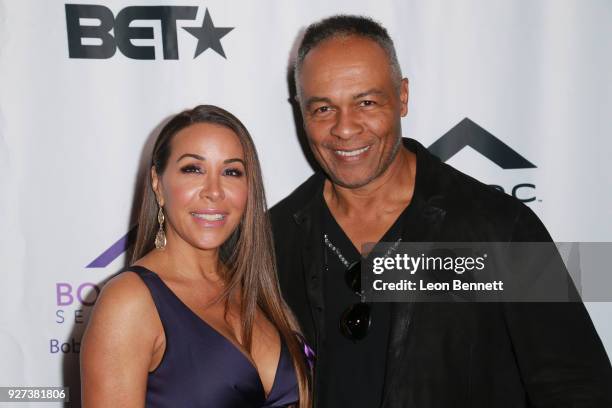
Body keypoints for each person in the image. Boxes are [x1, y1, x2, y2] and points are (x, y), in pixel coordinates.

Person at [270, 15, 612, 407]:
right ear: (302, 112)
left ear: (402, 97)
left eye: (366, 102)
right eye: (323, 109)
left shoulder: (497, 227)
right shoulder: (276, 238)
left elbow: (578, 385)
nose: (345, 128)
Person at [81, 105, 310, 407]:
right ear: (157, 184)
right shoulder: (130, 302)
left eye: (231, 172)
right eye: (193, 169)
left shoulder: (257, 290)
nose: (214, 191)